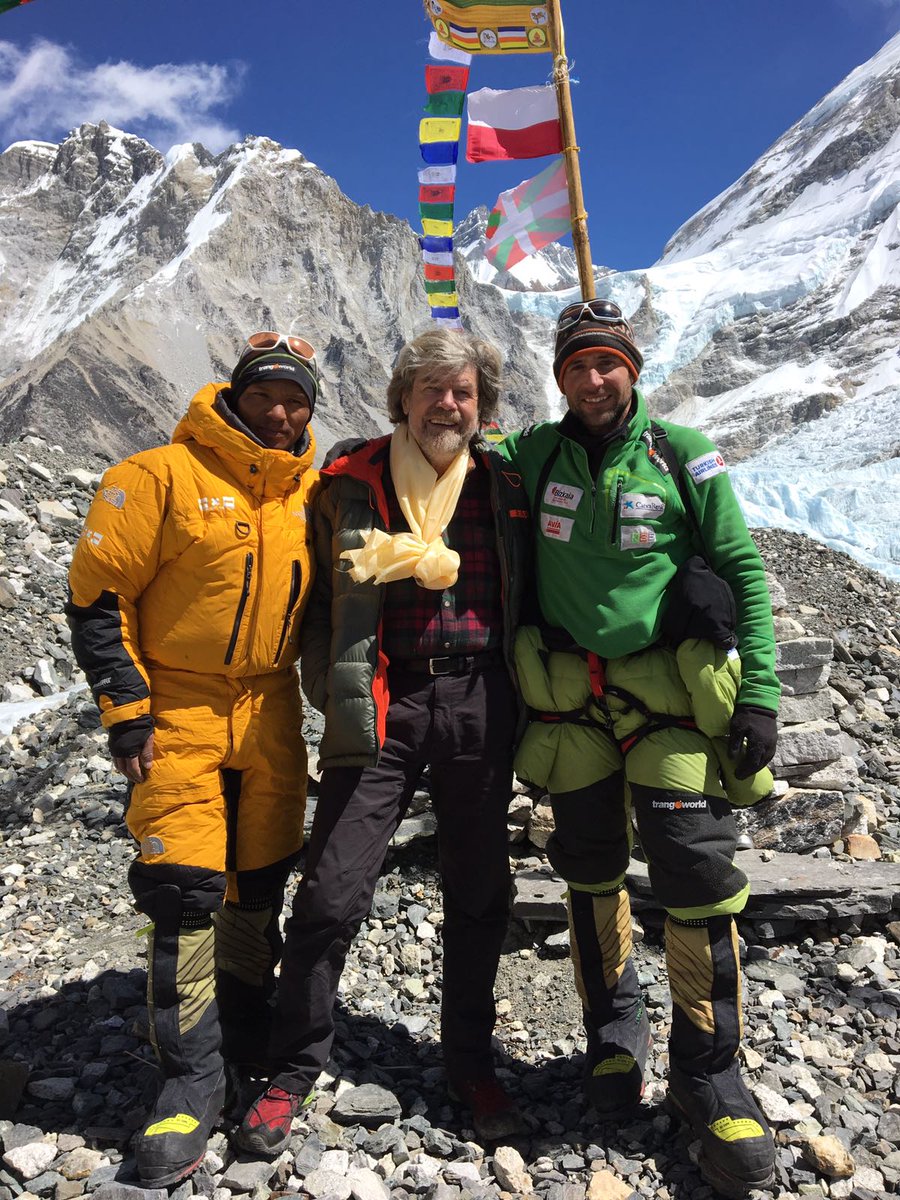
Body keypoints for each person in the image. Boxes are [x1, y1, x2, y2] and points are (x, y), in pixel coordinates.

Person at [500, 299, 780, 1199]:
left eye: (605, 364)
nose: (591, 380)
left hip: (665, 705)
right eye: (575, 366)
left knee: (696, 873)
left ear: (632, 367)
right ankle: (615, 1036)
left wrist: (763, 694)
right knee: (588, 870)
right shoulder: (531, 456)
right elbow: (444, 453)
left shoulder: (683, 454)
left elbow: (741, 569)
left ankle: (710, 1068)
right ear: (558, 379)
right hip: (572, 705)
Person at [236, 326, 531, 1153]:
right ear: (401, 395)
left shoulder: (506, 479)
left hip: (481, 696)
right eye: (432, 388)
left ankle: (469, 1058)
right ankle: (294, 1065)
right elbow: (321, 600)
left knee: (479, 891)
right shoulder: (349, 479)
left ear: (483, 404)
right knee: (331, 889)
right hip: (384, 697)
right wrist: (331, 682)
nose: (448, 404)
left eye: (464, 391)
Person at [66, 332, 320, 1187]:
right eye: (266, 396)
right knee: (184, 890)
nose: (280, 413)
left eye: (296, 401)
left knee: (261, 875)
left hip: (272, 707)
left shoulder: (311, 492)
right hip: (178, 707)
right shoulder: (157, 475)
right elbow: (99, 596)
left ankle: (240, 1027)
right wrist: (126, 710)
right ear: (234, 396)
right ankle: (188, 1077)